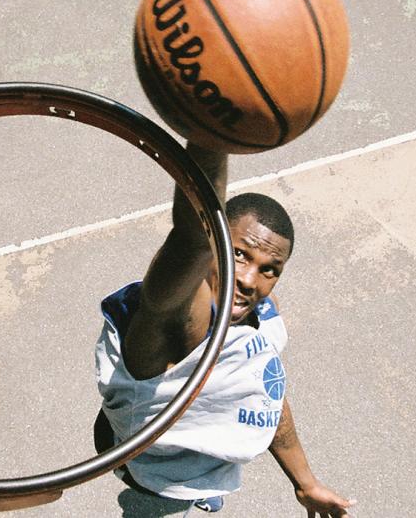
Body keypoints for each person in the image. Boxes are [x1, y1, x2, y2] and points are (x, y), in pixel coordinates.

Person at [94, 142, 353, 516]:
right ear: (213, 240)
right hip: (160, 485)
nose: (249, 279)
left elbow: (266, 391)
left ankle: (203, 478)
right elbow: (190, 237)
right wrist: (210, 139)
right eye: (238, 254)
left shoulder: (264, 313)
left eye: (270, 269)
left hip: (203, 457)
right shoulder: (177, 319)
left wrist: (306, 483)